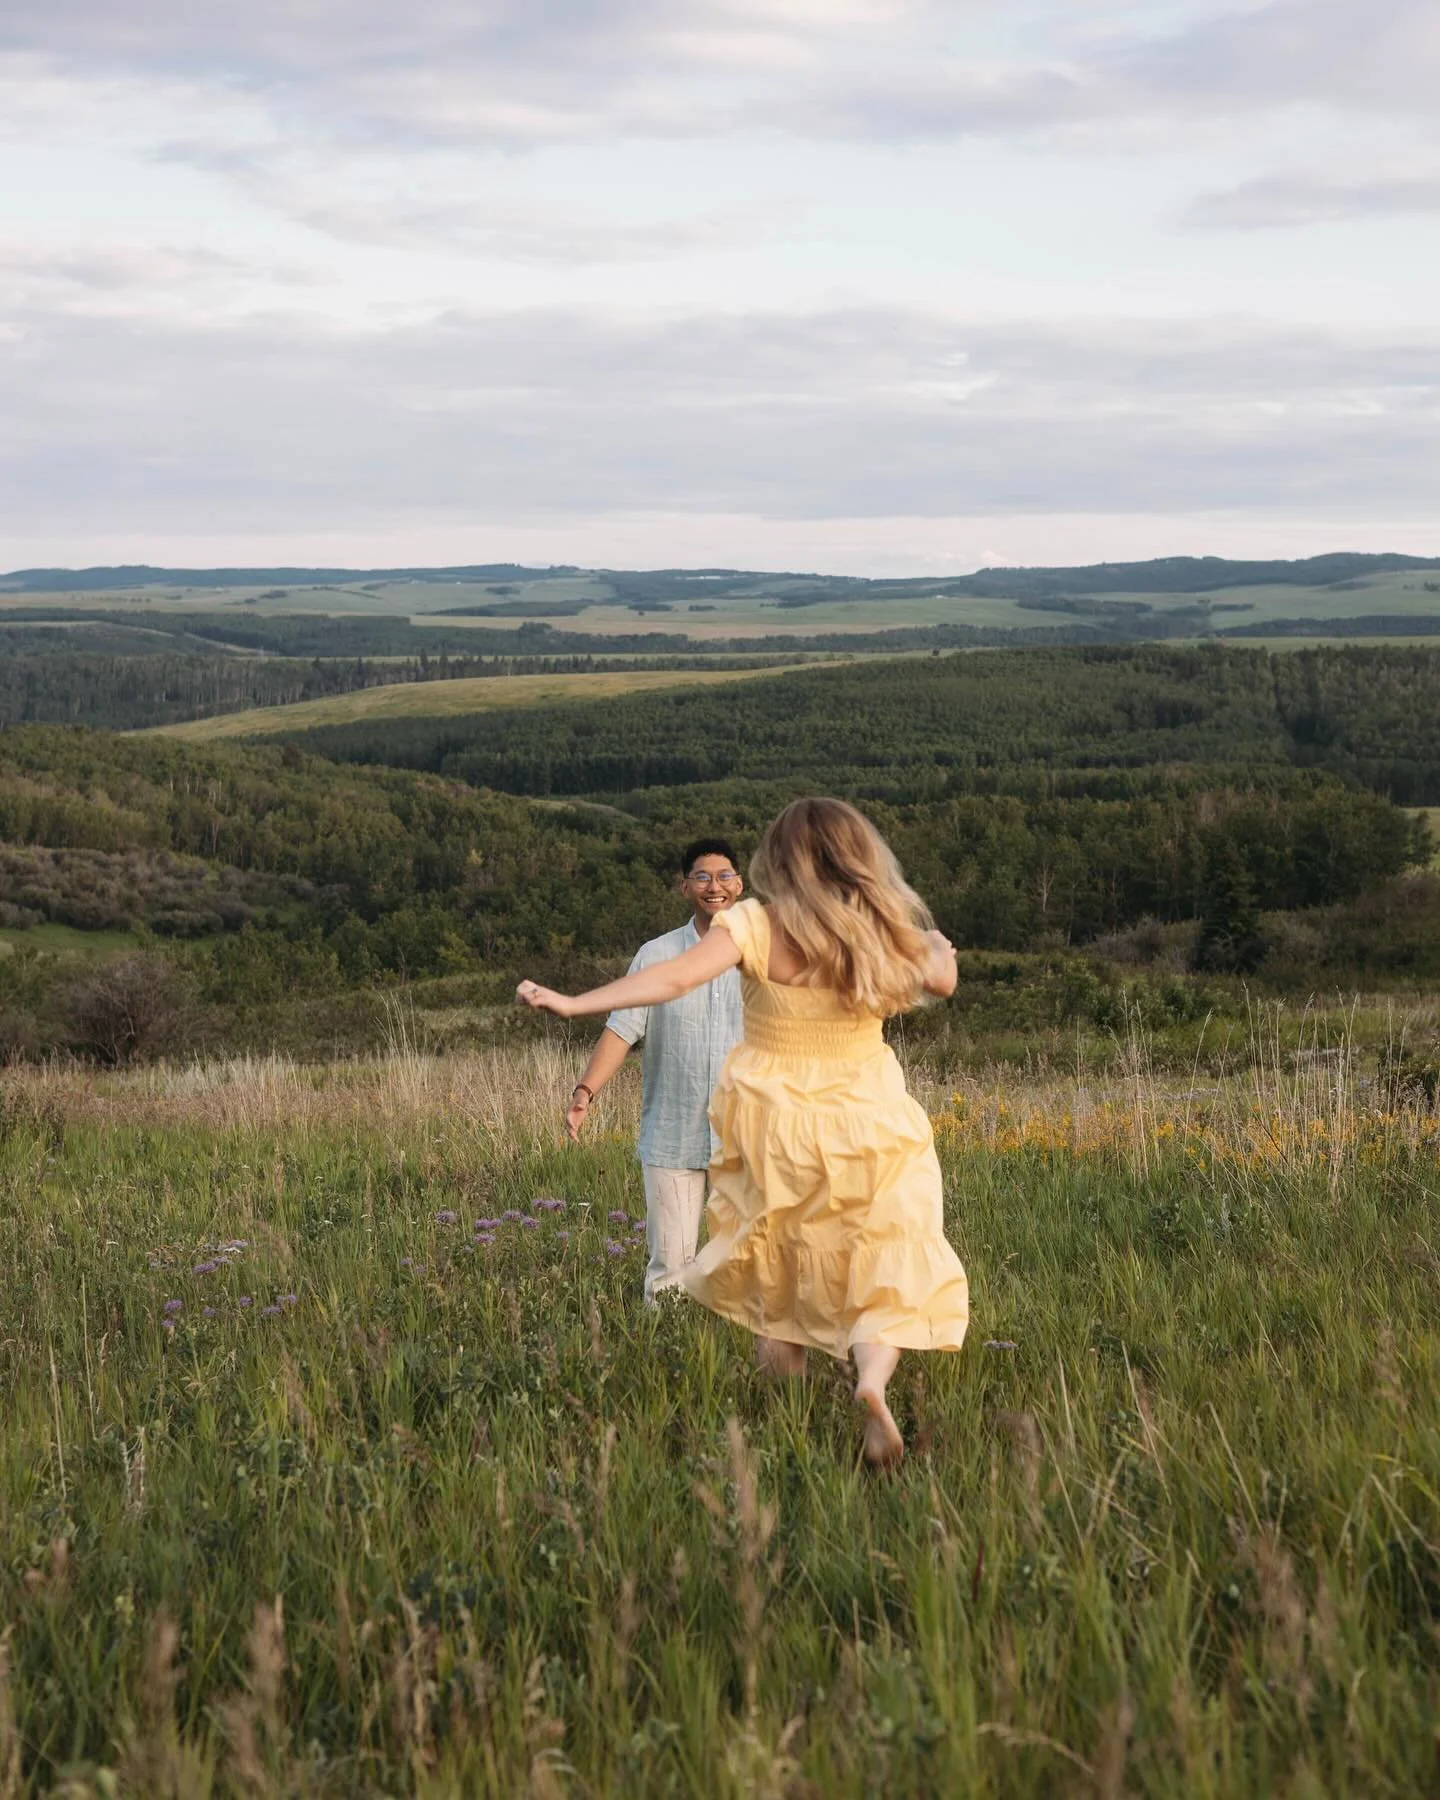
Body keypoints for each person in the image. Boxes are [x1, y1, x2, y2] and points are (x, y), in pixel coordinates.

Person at [518, 797, 968, 1468]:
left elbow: (671, 979)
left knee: (777, 1259)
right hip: (870, 1112)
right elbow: (944, 979)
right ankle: (871, 1381)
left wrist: (574, 1002)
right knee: (887, 1253)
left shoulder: (756, 923)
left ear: (777, 860)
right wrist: (935, 945)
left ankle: (784, 1416)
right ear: (858, 858)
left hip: (777, 1118)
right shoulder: (879, 925)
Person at [564, 837, 744, 1303]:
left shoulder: (760, 956)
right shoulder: (657, 955)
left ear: (739, 885)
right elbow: (623, 1028)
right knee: (671, 1265)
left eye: (724, 875)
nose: (714, 886)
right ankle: (668, 1355)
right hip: (673, 1132)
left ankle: (740, 1361)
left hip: (748, 1134)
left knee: (749, 1262)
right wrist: (586, 1090)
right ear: (684, 888)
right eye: (702, 876)